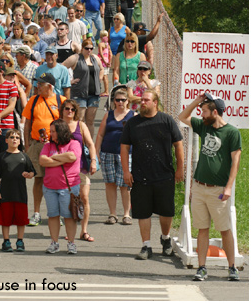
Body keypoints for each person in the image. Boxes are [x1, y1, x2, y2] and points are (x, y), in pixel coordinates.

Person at [178, 93, 242, 282]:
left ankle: (232, 268)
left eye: (204, 111)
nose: (202, 114)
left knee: (225, 229)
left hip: (218, 190)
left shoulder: (231, 132)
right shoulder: (204, 127)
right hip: (199, 187)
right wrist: (197, 101)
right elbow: (183, 117)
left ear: (215, 112)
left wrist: (228, 187)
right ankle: (202, 268)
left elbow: (235, 162)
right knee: (202, 229)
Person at [120, 90, 184, 260]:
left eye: (146, 100)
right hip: (140, 176)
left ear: (155, 102)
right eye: (141, 100)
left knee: (166, 212)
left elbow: (178, 145)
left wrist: (180, 169)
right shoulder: (132, 123)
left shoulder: (167, 120)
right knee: (143, 213)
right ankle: (146, 246)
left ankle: (165, 238)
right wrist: (126, 171)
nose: (142, 102)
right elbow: (124, 148)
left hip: (164, 175)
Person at [22, 73, 66, 226]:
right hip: (37, 145)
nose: (38, 86)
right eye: (38, 84)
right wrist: (27, 145)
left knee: (57, 180)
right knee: (38, 179)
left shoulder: (61, 101)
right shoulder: (33, 101)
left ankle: (57, 214)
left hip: (56, 146)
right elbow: (27, 124)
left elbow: (68, 124)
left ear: (50, 86)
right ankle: (36, 213)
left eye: (41, 84)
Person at [39, 119, 82, 255]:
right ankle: (54, 242)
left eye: (53, 131)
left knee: (68, 216)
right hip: (50, 186)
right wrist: (60, 160)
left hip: (68, 187)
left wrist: (54, 158)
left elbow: (72, 156)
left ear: (61, 131)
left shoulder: (74, 143)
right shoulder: (48, 145)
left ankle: (71, 243)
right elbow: (42, 161)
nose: (50, 134)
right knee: (53, 215)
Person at [95, 88, 134, 225]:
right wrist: (96, 152)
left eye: (123, 100)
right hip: (107, 152)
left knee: (125, 184)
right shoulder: (108, 114)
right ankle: (112, 214)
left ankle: (126, 214)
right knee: (110, 184)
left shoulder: (133, 116)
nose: (120, 102)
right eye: (117, 100)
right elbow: (100, 134)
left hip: (126, 154)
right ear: (114, 101)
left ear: (128, 101)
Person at [60, 100, 97, 242]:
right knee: (68, 200)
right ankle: (71, 231)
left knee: (84, 197)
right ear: (62, 110)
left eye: (73, 109)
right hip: (63, 168)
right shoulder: (58, 125)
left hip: (81, 167)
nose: (69, 111)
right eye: (67, 109)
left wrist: (93, 161)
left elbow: (90, 144)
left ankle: (84, 230)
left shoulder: (80, 125)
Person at [0, 129, 35, 252]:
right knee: (5, 220)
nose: (14, 139)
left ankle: (20, 240)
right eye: (12, 137)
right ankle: (6, 241)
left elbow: (32, 171)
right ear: (6, 140)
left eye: (17, 137)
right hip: (6, 192)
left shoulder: (24, 156)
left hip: (20, 193)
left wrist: (29, 174)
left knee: (21, 219)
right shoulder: (2, 156)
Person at [63, 39, 104, 137]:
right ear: (82, 48)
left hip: (94, 93)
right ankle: (79, 141)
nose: (89, 50)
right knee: (79, 119)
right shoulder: (76, 58)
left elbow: (101, 68)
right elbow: (62, 67)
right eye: (86, 48)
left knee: (90, 121)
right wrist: (69, 81)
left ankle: (89, 144)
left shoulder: (95, 58)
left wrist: (100, 78)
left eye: (91, 48)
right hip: (79, 93)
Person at [97, 30, 112, 97]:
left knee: (104, 76)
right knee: (105, 76)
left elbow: (100, 53)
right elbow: (110, 54)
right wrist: (109, 61)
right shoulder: (107, 45)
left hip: (102, 62)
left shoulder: (101, 44)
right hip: (107, 61)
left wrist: (105, 62)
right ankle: (106, 90)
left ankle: (106, 91)